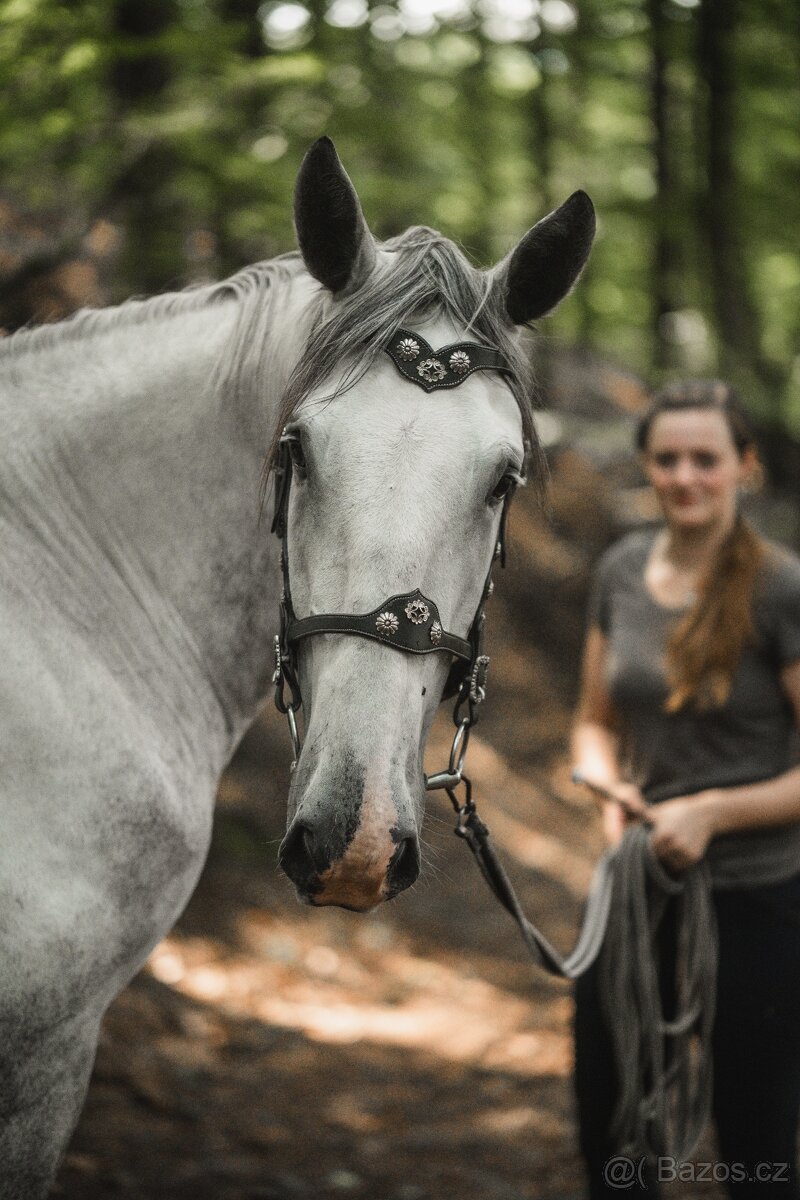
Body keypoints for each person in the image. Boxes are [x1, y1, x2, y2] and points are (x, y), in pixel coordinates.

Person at [570, 380, 800, 1199]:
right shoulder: (619, 572)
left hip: (758, 903)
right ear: (647, 466)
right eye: (667, 459)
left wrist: (712, 813)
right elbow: (593, 722)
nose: (685, 476)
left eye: (706, 458)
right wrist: (607, 794)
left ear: (745, 466)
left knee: (757, 1142)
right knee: (612, 1124)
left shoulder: (781, 587)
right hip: (636, 890)